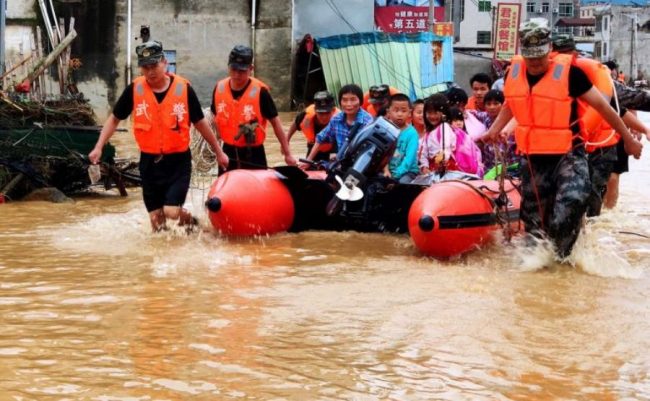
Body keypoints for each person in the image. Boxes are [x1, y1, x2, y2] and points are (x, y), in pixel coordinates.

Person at [484, 19, 642, 260]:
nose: (535, 63)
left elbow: (604, 106)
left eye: (540, 57)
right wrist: (494, 129)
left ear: (550, 50)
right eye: (530, 58)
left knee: (572, 203)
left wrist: (629, 139)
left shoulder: (571, 74)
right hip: (534, 158)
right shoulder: (512, 73)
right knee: (536, 223)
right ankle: (541, 269)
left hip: (569, 154)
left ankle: (564, 262)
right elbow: (512, 104)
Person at [88, 40, 229, 232]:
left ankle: (194, 224)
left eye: (154, 65)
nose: (150, 72)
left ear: (165, 63)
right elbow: (114, 119)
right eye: (145, 68)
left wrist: (219, 151)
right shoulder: (135, 90)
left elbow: (201, 123)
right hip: (149, 163)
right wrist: (98, 146)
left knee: (171, 211)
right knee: (157, 221)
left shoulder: (184, 89)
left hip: (178, 163)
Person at [212, 45, 296, 171]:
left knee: (257, 189)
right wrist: (217, 149)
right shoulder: (219, 88)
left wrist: (287, 153)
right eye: (233, 69)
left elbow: (276, 123)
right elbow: (213, 118)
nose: (236, 74)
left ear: (251, 69)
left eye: (241, 71)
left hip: (254, 154)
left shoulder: (261, 92)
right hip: (228, 152)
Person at [299, 84, 374, 168]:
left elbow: (372, 150)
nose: (348, 104)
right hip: (341, 164)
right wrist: (308, 160)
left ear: (360, 101)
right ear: (340, 102)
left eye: (353, 100)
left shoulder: (368, 122)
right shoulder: (336, 119)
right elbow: (320, 138)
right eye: (344, 100)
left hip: (360, 166)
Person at [419, 93, 482, 175]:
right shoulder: (428, 133)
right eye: (429, 112)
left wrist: (442, 161)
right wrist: (424, 166)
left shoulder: (444, 127)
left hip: (447, 168)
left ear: (444, 113)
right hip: (433, 168)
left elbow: (446, 148)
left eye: (436, 113)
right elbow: (423, 152)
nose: (432, 116)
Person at [287, 91, 339, 161]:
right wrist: (286, 141)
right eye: (320, 113)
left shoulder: (340, 119)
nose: (324, 117)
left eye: (327, 113)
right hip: (313, 148)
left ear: (333, 110)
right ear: (315, 110)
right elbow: (295, 124)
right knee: (307, 166)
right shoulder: (306, 115)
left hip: (333, 149)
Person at [385, 94, 420, 183]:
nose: (399, 114)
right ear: (388, 112)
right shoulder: (385, 129)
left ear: (409, 113)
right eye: (396, 110)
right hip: (388, 171)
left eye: (403, 111)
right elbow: (382, 154)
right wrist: (386, 170)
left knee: (402, 184)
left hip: (408, 171)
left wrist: (395, 176)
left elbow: (409, 159)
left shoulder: (412, 133)